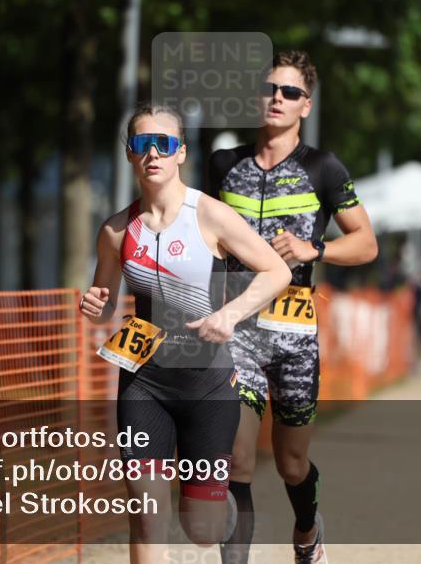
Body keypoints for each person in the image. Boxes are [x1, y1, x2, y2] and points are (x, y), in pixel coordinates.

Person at [79, 104, 291, 563]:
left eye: (165, 144)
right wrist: (96, 308)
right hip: (143, 381)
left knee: (202, 529)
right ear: (130, 155)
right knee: (146, 514)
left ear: (181, 153)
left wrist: (231, 314)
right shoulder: (116, 231)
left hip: (207, 381)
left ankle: (228, 513)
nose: (153, 152)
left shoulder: (210, 215)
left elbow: (276, 271)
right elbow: (104, 303)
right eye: (141, 144)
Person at [207, 51, 378, 564]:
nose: (276, 99)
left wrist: (315, 249)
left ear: (307, 104)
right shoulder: (222, 164)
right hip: (236, 328)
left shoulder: (323, 168)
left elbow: (366, 243)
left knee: (291, 463)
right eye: (269, 90)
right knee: (235, 458)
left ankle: (307, 530)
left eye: (289, 92)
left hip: (294, 336)